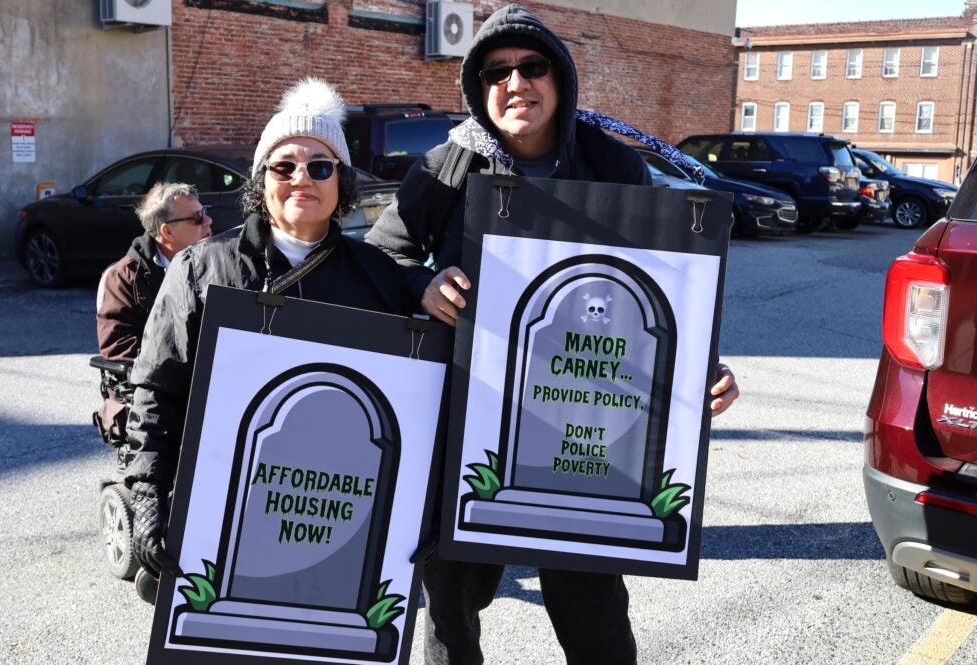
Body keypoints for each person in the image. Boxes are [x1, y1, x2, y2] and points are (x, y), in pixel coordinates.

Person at [366, 5, 739, 664]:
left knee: (592, 610)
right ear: (479, 89)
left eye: (531, 66)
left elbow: (667, 278)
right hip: (467, 419)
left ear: (560, 79)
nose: (515, 83)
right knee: (450, 610)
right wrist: (421, 285)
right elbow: (380, 258)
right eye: (496, 72)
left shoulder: (611, 166)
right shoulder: (447, 167)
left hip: (583, 421)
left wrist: (702, 365)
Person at [123, 77, 411, 600]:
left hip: (332, 509)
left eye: (320, 166)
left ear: (341, 182)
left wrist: (417, 508)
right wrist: (147, 493)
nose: (302, 178)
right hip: (222, 503)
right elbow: (156, 390)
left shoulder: (379, 278)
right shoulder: (200, 267)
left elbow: (406, 407)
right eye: (284, 167)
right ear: (262, 180)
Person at [96, 182, 212, 362]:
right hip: (155, 383)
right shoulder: (125, 277)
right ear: (167, 232)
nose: (208, 221)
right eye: (197, 217)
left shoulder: (215, 261)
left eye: (205, 212)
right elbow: (120, 347)